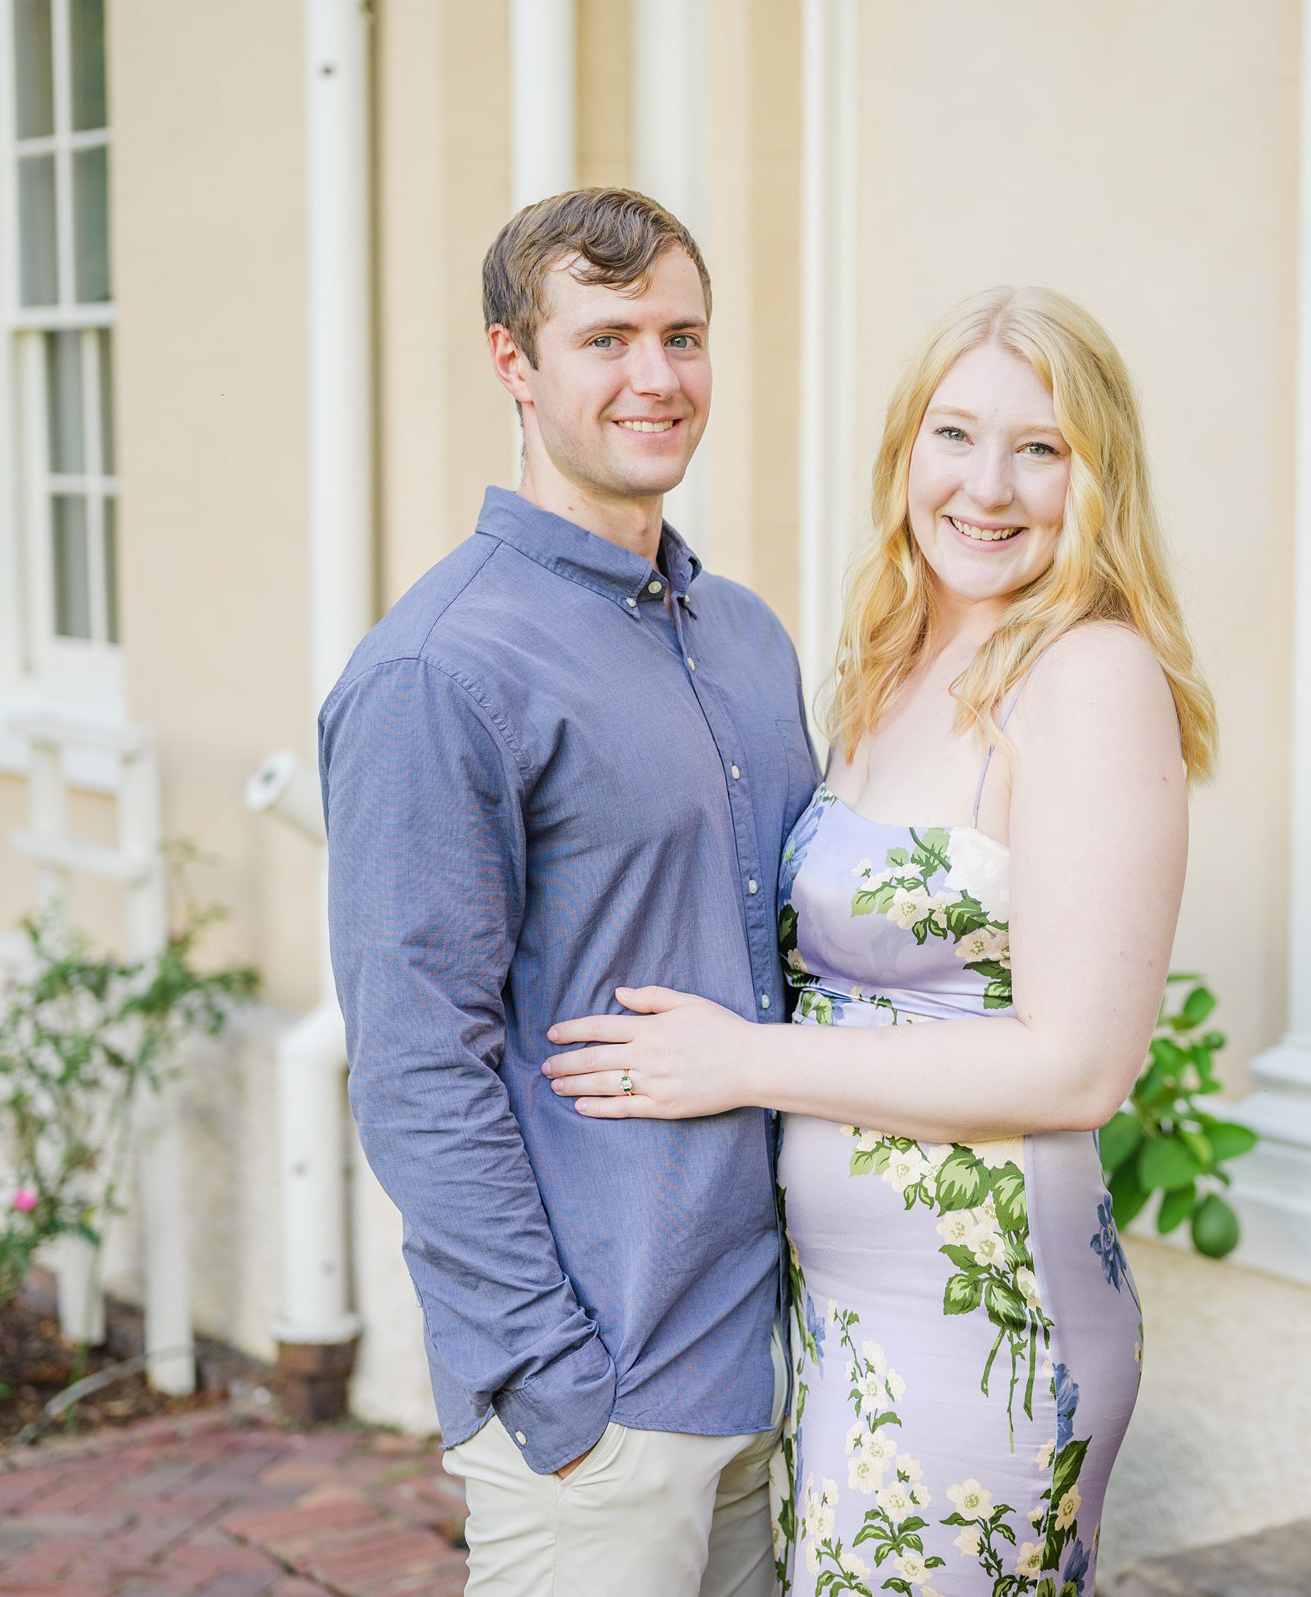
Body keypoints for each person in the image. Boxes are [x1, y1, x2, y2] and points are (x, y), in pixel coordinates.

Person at [542, 285, 1217, 1596]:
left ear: (1098, 477)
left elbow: (1076, 1069)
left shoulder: (1088, 677)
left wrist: (747, 1062)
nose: (990, 485)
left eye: (1041, 447)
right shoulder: (892, 661)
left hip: (984, 1329)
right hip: (843, 1320)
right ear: (906, 448)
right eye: (955, 435)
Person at [319, 188, 814, 1597]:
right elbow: (418, 1070)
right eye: (607, 338)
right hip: (602, 1403)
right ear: (513, 362)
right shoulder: (442, 673)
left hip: (766, 1365)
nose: (656, 377)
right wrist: (556, 1390)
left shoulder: (748, 638)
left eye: (684, 335)